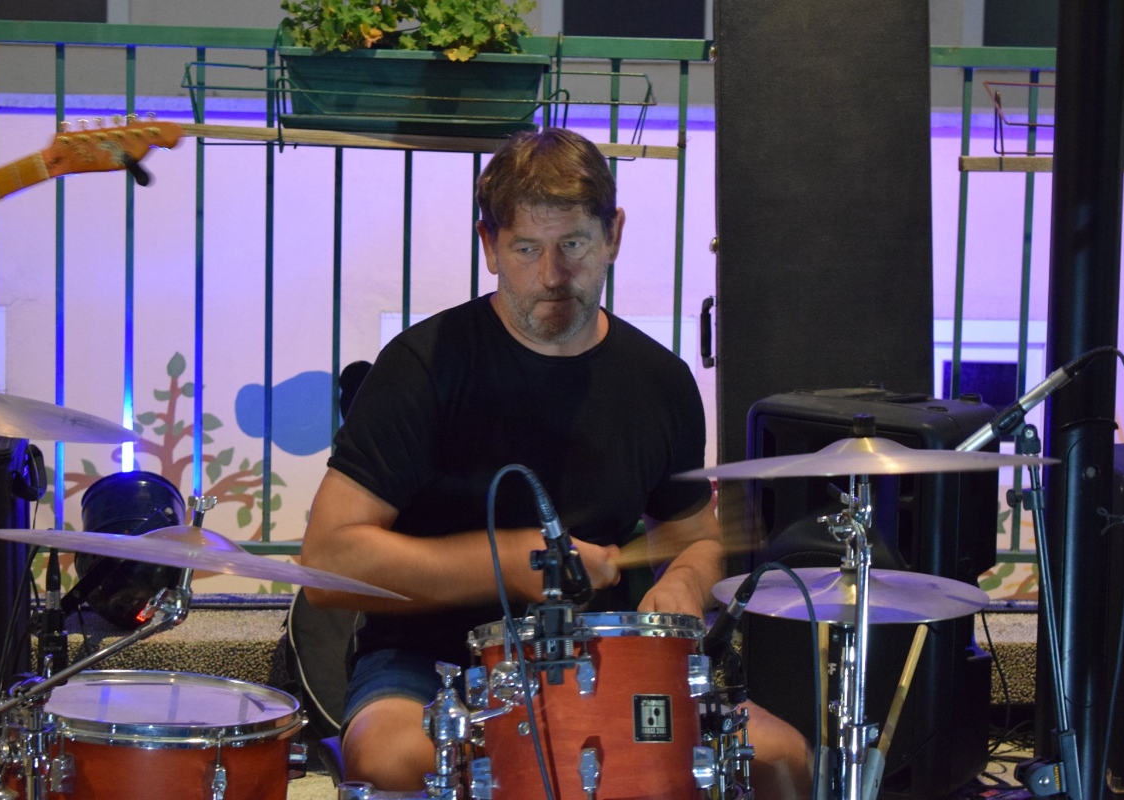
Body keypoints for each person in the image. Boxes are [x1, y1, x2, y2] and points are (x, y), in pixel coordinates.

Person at [301, 127, 810, 797]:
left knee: (779, 756)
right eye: (526, 249)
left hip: (600, 661)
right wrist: (509, 562)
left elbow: (694, 538)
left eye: (573, 245)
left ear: (613, 234)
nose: (552, 276)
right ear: (489, 245)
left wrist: (686, 583)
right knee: (394, 757)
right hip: (428, 663)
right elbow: (328, 562)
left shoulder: (659, 382)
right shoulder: (422, 367)